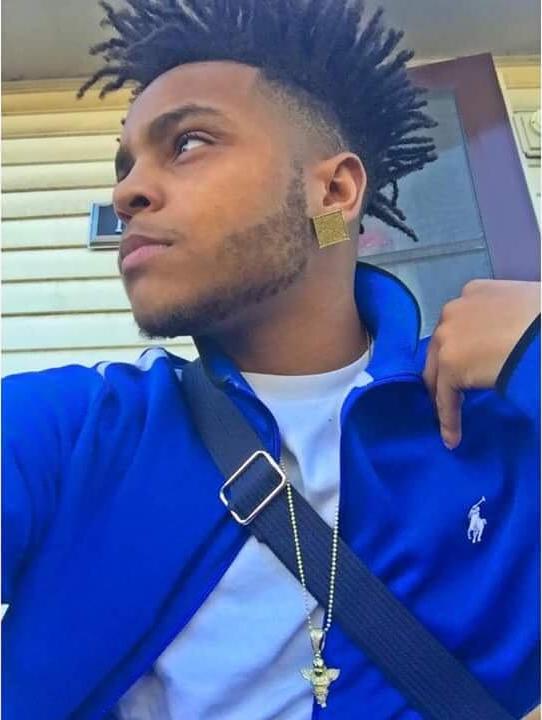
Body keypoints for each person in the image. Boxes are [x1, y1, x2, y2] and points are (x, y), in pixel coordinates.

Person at [2, 1, 540, 719]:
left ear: (334, 192)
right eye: (125, 165)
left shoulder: (496, 437)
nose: (126, 193)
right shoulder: (81, 435)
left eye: (188, 143)